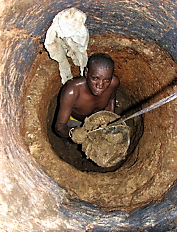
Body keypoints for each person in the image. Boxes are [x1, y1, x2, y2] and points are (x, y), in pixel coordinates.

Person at [55, 53, 120, 138]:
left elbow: (111, 99)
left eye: (106, 80)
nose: (100, 86)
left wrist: (110, 121)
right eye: (95, 78)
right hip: (76, 122)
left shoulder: (113, 83)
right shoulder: (73, 91)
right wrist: (72, 133)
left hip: (97, 120)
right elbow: (59, 125)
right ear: (86, 72)